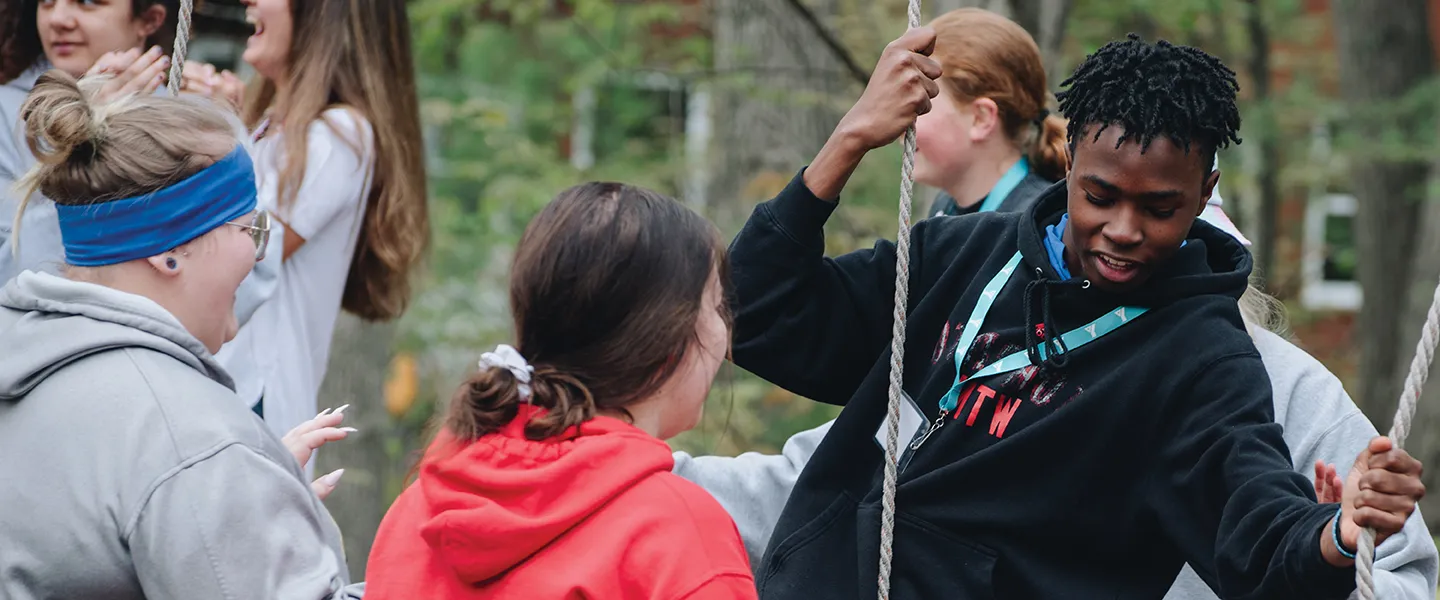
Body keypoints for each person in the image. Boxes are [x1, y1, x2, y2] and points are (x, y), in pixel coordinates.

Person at [725, 30, 1426, 598]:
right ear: (1069, 166)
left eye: (1160, 208)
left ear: (1204, 190)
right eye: (1100, 195)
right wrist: (847, 142)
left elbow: (1259, 541)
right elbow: (759, 315)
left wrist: (1338, 534)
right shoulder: (961, 252)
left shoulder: (1203, 362)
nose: (1124, 229)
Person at [674, 205, 1440, 599]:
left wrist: (1329, 544)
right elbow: (809, 490)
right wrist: (649, 478)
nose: (1123, 255)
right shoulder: (1003, 344)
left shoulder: (1293, 394)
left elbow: (1393, 573)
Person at [0, 70, 360, 599]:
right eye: (249, 229)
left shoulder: (27, 357)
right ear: (167, 252)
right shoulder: (189, 441)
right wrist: (216, 471)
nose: (258, 254)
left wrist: (245, 504)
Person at [363, 183, 756, 599]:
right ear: (669, 340)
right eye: (716, 306)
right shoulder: (679, 536)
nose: (725, 332)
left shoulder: (420, 510)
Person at [195, 0, 430, 446]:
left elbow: (244, 257)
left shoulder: (341, 135)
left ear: (322, 15)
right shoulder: (266, 127)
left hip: (253, 404)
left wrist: (212, 136)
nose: (250, 2)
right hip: (219, 389)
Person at [914, 8, 1067, 218]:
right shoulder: (945, 207)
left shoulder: (1038, 223)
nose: (902, 125)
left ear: (981, 118)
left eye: (921, 106)